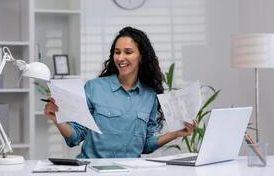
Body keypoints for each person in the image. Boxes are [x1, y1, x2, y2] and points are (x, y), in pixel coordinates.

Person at [44, 26, 196, 158]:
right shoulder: (94, 88)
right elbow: (75, 137)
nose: (121, 58)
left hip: (129, 171)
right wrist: (58, 119)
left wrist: (175, 133)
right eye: (117, 52)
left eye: (128, 52)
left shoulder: (149, 96)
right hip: (93, 170)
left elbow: (145, 145)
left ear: (141, 56)